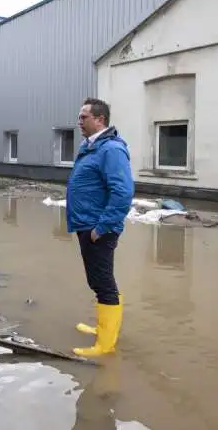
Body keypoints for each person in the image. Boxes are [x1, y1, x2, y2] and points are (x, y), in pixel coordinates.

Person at [67, 97, 134, 357]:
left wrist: (102, 227)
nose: (79, 121)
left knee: (103, 282)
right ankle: (104, 328)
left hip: (97, 228)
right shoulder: (92, 147)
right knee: (97, 280)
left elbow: (123, 192)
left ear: (100, 119)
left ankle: (105, 345)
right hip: (86, 224)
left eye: (84, 117)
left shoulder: (111, 150)